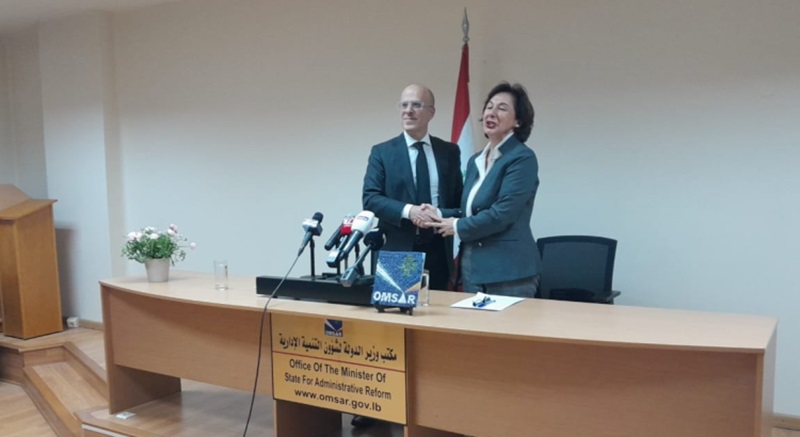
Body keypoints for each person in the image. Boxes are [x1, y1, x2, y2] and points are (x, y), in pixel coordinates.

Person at [428, 82, 542, 297]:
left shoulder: (522, 158)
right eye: (489, 106)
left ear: (518, 121)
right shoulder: (476, 160)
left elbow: (502, 213)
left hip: (509, 270)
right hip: (473, 267)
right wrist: (437, 214)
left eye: (502, 108)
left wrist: (457, 225)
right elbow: (471, 211)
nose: (491, 112)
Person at [362, 84, 463, 292]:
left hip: (439, 249)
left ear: (431, 112)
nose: (408, 111)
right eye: (404, 105)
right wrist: (411, 211)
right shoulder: (382, 152)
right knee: (395, 310)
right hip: (398, 249)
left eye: (416, 105)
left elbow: (460, 203)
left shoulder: (449, 152)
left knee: (438, 309)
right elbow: (371, 199)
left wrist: (437, 214)